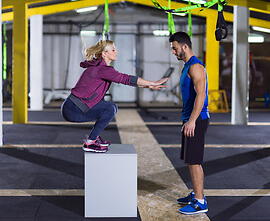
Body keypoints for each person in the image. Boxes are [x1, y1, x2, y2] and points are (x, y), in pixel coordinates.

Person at [61, 39, 168, 153]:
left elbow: (126, 81)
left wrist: (149, 87)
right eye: (113, 50)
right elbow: (126, 79)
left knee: (111, 107)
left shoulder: (100, 67)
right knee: (110, 108)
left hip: (75, 106)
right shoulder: (101, 69)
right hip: (74, 109)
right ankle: (90, 142)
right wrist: (152, 83)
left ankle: (94, 138)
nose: (116, 52)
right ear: (104, 54)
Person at [169, 32, 210, 215]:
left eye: (175, 48)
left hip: (197, 119)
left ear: (185, 47)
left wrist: (192, 120)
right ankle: (196, 193)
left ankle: (200, 202)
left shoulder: (196, 67)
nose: (174, 52)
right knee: (189, 160)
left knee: (194, 161)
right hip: (189, 119)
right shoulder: (187, 66)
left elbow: (201, 95)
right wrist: (187, 120)